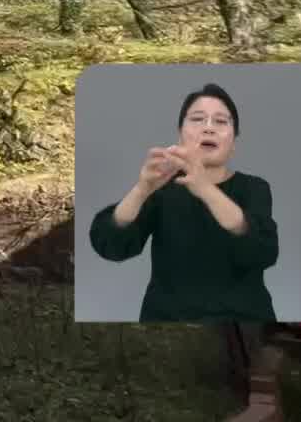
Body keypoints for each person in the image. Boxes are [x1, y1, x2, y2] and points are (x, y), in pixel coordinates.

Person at [87, 82, 279, 322]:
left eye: (221, 121)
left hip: (242, 320)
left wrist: (204, 188)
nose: (208, 128)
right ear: (180, 134)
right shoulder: (162, 188)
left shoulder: (254, 188)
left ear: (234, 140)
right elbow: (112, 246)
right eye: (197, 119)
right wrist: (141, 189)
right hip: (167, 320)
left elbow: (263, 252)